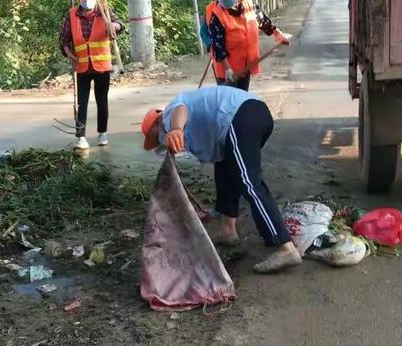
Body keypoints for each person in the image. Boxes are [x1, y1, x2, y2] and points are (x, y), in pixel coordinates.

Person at [140, 86, 302, 273]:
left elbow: (180, 111)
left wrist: (175, 129)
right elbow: (215, 155)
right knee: (226, 170)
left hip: (241, 115)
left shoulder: (168, 114)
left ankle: (284, 246)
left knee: (248, 182)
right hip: (251, 116)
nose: (159, 140)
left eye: (154, 136)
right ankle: (228, 231)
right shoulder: (183, 119)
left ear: (156, 124)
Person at [59, 0, 123, 150]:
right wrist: (69, 53)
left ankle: (102, 133)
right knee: (81, 103)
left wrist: (114, 26)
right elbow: (63, 40)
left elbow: (119, 24)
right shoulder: (72, 15)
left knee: (102, 101)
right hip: (82, 67)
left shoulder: (104, 10)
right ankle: (81, 137)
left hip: (101, 66)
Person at [205, 0, 291, 91]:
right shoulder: (217, 14)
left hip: (246, 66)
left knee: (243, 98)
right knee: (230, 100)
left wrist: (279, 35)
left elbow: (264, 22)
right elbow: (217, 45)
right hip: (227, 69)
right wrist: (227, 68)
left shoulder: (249, 5)